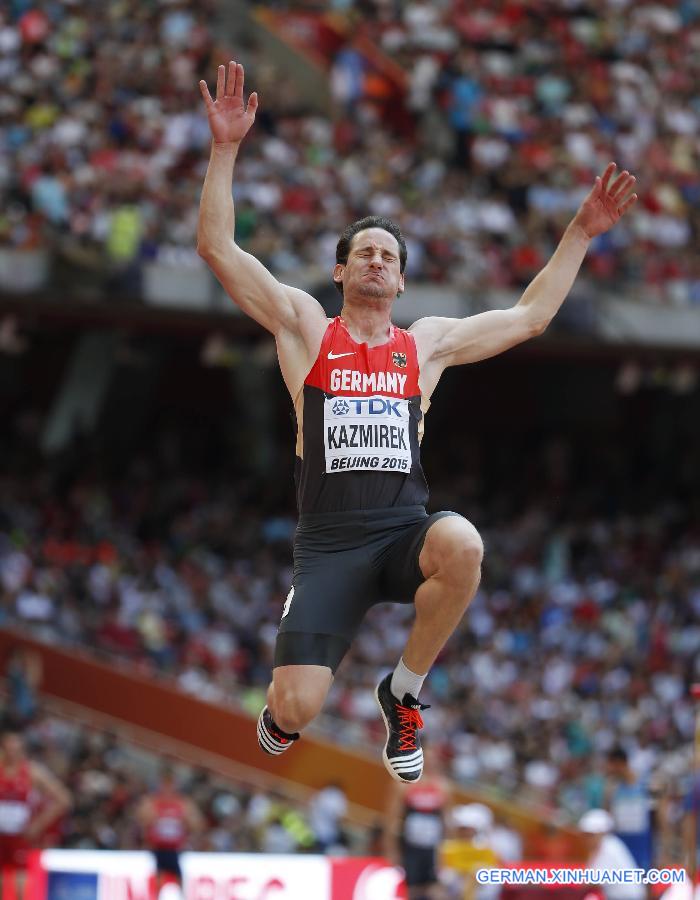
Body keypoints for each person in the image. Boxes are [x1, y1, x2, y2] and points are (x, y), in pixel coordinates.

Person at [197, 60, 638, 783]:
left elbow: (529, 318)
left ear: (401, 281)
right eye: (363, 252)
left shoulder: (425, 343)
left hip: (404, 531)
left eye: (388, 256)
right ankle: (281, 708)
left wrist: (581, 234)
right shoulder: (308, 328)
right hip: (332, 543)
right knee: (298, 710)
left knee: (464, 542)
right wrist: (224, 150)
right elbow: (218, 249)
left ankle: (402, 693)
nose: (376, 260)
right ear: (340, 273)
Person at [0, 727, 71, 900]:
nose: (12, 754)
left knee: (20, 887)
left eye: (16, 750)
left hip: (19, 836)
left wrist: (38, 825)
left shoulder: (32, 771)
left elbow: (64, 799)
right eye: (8, 749)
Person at [384, 746, 452, 899]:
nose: (429, 763)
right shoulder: (402, 784)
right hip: (409, 847)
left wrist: (445, 856)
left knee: (434, 890)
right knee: (408, 889)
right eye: (426, 759)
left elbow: (447, 825)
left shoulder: (443, 787)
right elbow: (392, 821)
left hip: (432, 849)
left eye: (433, 759)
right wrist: (392, 851)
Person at [136, 767, 204, 896]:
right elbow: (141, 820)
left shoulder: (183, 803)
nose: (168, 788)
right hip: (156, 849)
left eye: (170, 784)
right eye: (165, 784)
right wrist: (152, 818)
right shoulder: (152, 802)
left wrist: (186, 820)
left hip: (175, 850)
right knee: (157, 883)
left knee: (179, 882)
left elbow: (197, 823)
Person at [579, 809, 645, 900]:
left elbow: (591, 880)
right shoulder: (602, 847)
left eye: (590, 835)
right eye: (585, 835)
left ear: (602, 833)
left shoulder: (609, 847)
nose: (587, 839)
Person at [605, 746, 653, 869]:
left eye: (610, 766)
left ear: (619, 763)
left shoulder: (645, 785)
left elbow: (660, 819)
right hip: (621, 843)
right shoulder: (612, 789)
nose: (609, 770)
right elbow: (607, 817)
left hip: (641, 843)